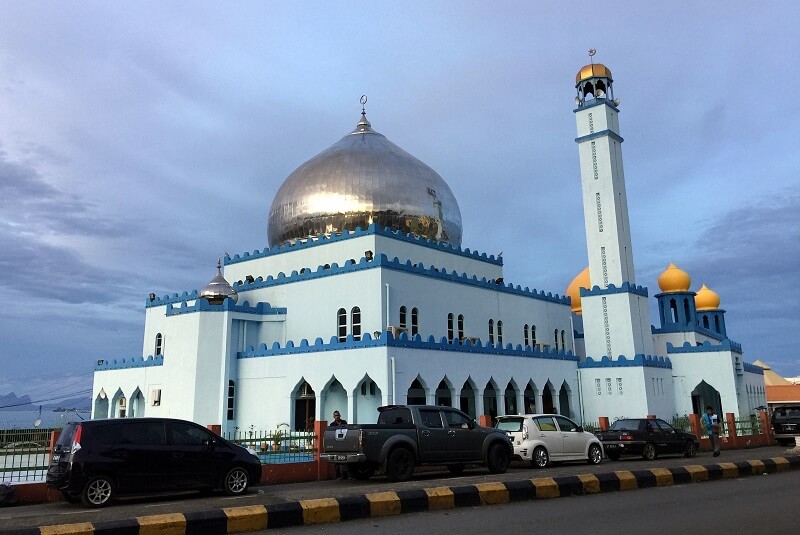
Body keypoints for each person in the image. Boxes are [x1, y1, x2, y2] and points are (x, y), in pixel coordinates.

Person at [329, 410, 349, 479]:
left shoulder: (344, 423)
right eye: (335, 416)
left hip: (344, 444)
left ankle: (346, 475)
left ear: (340, 416)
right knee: (336, 462)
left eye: (338, 415)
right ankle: (338, 476)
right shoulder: (332, 425)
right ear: (333, 417)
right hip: (336, 444)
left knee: (345, 461)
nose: (337, 417)